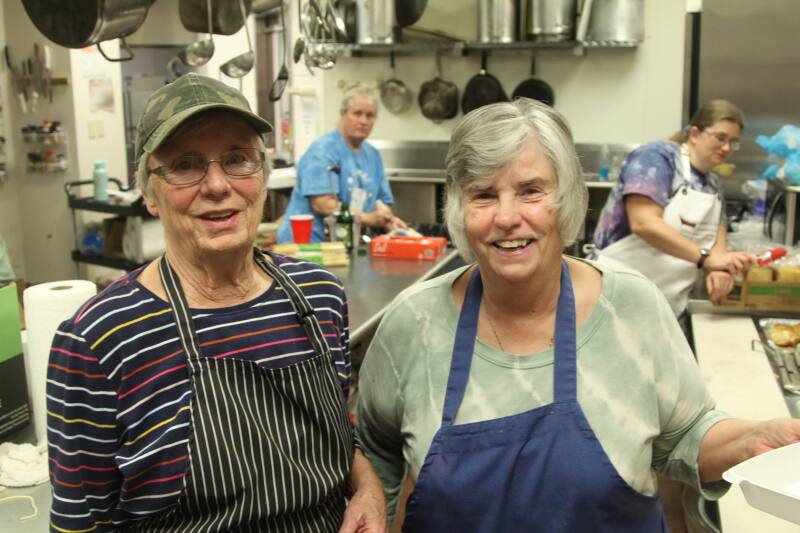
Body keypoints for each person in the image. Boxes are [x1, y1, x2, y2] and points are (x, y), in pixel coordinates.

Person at [354, 99, 800, 532]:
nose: (507, 217)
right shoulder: (413, 323)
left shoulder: (631, 307)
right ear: (459, 210)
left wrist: (753, 440)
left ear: (567, 200)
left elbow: (687, 432)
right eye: (484, 195)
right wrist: (371, 494)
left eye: (531, 191)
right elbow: (376, 452)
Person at [47, 73, 386, 532]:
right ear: (148, 192)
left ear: (262, 176)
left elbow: (340, 438)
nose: (217, 185)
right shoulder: (100, 338)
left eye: (236, 159)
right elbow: (79, 522)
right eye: (186, 165)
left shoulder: (319, 295)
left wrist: (367, 487)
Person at [593, 99, 755, 339]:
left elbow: (718, 240)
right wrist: (705, 259)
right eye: (721, 137)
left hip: (668, 308)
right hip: (615, 298)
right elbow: (643, 222)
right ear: (695, 133)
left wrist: (720, 269)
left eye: (733, 142)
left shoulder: (713, 183)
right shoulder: (657, 157)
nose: (727, 147)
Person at [277, 87, 407, 243]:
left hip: (345, 242)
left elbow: (380, 200)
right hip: (309, 244)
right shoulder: (322, 151)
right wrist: (369, 219)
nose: (364, 121)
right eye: (357, 113)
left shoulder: (373, 155)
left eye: (370, 115)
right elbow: (323, 205)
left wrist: (387, 218)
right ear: (343, 114)